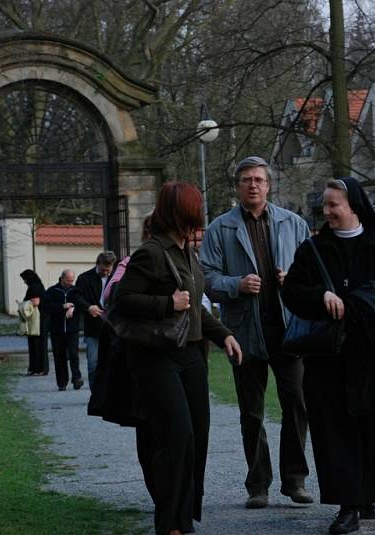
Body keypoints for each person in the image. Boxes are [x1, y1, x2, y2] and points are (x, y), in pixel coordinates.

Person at [281, 177, 375, 535]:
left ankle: (368, 494)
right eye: (325, 205)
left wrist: (364, 306)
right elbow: (292, 292)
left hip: (374, 356)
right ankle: (347, 504)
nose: (327, 211)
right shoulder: (313, 249)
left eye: (333, 204)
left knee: (374, 427)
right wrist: (321, 296)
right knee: (335, 430)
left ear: (353, 207)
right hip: (329, 358)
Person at [115, 181, 242, 535]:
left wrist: (225, 334)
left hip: (191, 355)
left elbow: (197, 309)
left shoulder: (189, 253)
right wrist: (166, 303)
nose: (198, 217)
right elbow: (122, 301)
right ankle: (169, 523)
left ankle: (183, 519)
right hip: (156, 357)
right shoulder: (152, 252)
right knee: (177, 436)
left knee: (197, 436)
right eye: (193, 210)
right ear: (180, 212)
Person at [200, 156, 312, 509]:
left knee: (296, 404)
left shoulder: (294, 223)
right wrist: (236, 284)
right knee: (252, 411)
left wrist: (292, 281)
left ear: (268, 185)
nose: (253, 185)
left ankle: (295, 481)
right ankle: (258, 484)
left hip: (288, 329)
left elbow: (313, 273)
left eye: (259, 180)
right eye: (246, 179)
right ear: (237, 186)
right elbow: (207, 278)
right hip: (244, 331)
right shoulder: (220, 228)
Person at [76, 251, 117, 388]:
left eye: (108, 270)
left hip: (112, 328)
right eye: (103, 270)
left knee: (112, 363)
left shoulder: (116, 279)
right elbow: (75, 297)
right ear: (97, 264)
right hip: (93, 327)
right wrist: (88, 307)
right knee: (93, 363)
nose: (105, 273)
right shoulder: (85, 278)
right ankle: (95, 394)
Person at [42, 269, 84, 391]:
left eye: (72, 280)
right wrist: (62, 307)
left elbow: (82, 304)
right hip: (57, 330)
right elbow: (46, 307)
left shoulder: (76, 290)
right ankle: (62, 382)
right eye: (68, 280)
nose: (71, 283)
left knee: (74, 354)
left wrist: (74, 309)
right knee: (59, 356)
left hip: (72, 329)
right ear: (62, 278)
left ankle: (76, 378)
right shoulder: (52, 291)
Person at [19, 269, 48, 376]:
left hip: (37, 320)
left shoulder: (34, 287)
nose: (24, 281)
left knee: (36, 345)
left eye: (24, 279)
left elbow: (35, 302)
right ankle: (37, 368)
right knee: (37, 344)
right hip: (39, 319)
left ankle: (38, 368)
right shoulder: (38, 285)